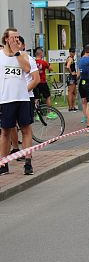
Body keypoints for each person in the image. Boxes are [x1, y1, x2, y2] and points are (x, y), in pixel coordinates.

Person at [0, 28, 31, 176]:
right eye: (13, 38)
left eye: (18, 37)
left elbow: (27, 69)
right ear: (6, 39)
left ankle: (28, 162)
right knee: (6, 131)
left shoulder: (23, 54)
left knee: (26, 129)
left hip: (22, 98)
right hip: (6, 98)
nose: (16, 40)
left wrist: (17, 52)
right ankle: (3, 163)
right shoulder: (0, 55)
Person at [8, 36, 39, 174]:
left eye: (18, 42)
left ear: (23, 44)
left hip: (26, 97)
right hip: (9, 99)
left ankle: (28, 160)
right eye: (12, 42)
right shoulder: (5, 60)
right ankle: (15, 148)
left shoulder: (28, 59)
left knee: (25, 128)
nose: (15, 44)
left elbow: (35, 79)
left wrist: (23, 92)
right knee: (8, 128)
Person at [34, 47, 54, 116]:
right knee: (47, 96)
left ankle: (37, 115)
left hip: (35, 82)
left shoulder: (33, 62)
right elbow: (51, 69)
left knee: (36, 98)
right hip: (42, 82)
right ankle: (49, 112)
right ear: (41, 54)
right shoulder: (43, 62)